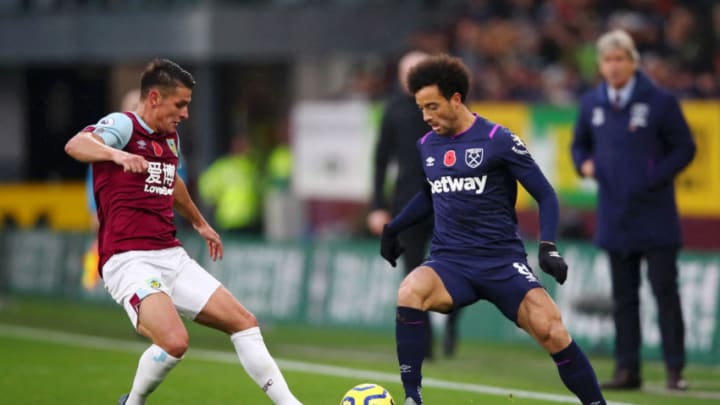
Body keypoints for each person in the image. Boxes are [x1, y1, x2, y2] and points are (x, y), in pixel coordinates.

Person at [64, 58, 302, 405]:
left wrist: (200, 222)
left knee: (245, 322)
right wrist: (116, 156)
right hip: (129, 259)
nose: (186, 113)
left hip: (171, 256)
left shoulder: (170, 138)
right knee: (175, 342)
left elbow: (172, 181)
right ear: (155, 98)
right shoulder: (123, 125)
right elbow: (75, 145)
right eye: (181, 104)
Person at [379, 54, 606, 405]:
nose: (426, 117)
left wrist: (548, 246)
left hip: (501, 263)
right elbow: (430, 193)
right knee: (410, 291)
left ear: (456, 98)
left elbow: (545, 194)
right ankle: (413, 398)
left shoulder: (498, 140)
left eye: (433, 106)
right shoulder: (427, 146)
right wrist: (394, 228)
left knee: (552, 331)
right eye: (421, 108)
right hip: (449, 263)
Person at [571, 29, 696, 391]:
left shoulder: (659, 101)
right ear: (600, 65)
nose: (613, 67)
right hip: (614, 213)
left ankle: (675, 369)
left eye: (619, 59)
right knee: (624, 299)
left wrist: (655, 175)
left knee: (664, 293)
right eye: (607, 60)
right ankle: (628, 369)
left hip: (655, 214)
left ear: (633, 62)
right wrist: (585, 165)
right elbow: (578, 146)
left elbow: (685, 148)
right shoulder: (592, 103)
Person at [368, 50, 461, 359]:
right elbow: (381, 160)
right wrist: (378, 205)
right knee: (414, 274)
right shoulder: (393, 110)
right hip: (408, 201)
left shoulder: (450, 106)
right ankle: (426, 344)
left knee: (456, 267)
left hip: (448, 198)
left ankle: (450, 327)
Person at [199, 135, 262, 234]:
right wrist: (212, 202)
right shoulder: (224, 166)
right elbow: (206, 185)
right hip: (229, 220)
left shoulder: (251, 167)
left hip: (250, 220)